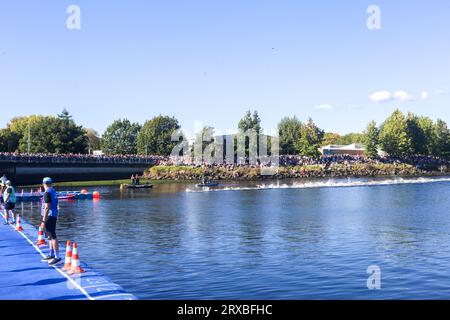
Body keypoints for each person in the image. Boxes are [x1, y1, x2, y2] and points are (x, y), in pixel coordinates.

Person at [40, 177, 61, 266]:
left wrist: (43, 221)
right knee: (49, 236)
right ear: (51, 183)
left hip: (49, 216)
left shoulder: (47, 193)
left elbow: (47, 207)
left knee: (52, 236)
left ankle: (57, 256)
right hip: (54, 214)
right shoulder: (53, 190)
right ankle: (51, 254)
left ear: (43, 184)